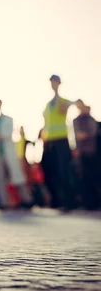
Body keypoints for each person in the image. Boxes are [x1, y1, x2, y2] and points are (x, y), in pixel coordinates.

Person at [41, 75, 76, 210]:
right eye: (51, 82)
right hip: (50, 142)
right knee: (52, 171)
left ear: (59, 83)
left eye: (55, 82)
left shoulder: (63, 101)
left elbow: (69, 106)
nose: (52, 85)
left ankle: (69, 202)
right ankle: (57, 201)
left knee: (64, 170)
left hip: (62, 140)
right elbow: (46, 124)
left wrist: (63, 103)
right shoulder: (48, 105)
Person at [0, 100, 31, 208]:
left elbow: (7, 133)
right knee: (0, 178)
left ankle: (27, 200)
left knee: (17, 175)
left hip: (9, 152)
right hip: (0, 153)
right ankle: (4, 203)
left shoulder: (8, 119)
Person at [73, 100, 100, 210]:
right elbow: (76, 135)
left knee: (95, 176)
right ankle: (87, 203)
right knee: (84, 177)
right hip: (82, 152)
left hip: (92, 152)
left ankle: (96, 202)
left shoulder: (91, 119)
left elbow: (92, 132)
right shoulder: (76, 120)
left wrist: (84, 135)